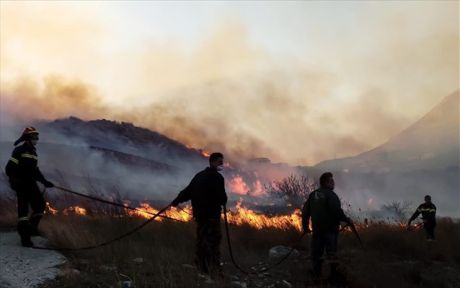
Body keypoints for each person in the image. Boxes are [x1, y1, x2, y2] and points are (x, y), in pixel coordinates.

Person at [171, 152, 227, 278]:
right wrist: (223, 200)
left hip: (200, 216)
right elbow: (222, 198)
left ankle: (201, 267)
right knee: (213, 242)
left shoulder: (199, 176)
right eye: (220, 162)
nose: (222, 164)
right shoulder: (217, 177)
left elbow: (187, 191)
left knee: (202, 240)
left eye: (222, 162)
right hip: (212, 217)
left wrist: (176, 201)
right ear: (212, 162)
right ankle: (212, 269)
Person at [5, 127, 54, 247]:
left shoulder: (33, 153)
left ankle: (31, 228)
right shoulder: (20, 150)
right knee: (23, 212)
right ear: (27, 137)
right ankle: (25, 239)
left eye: (37, 136)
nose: (36, 139)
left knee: (40, 206)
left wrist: (45, 182)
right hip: (21, 185)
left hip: (31, 184)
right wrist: (14, 180)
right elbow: (9, 168)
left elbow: (35, 171)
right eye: (34, 136)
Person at [301, 172, 352, 280]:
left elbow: (305, 212)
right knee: (331, 254)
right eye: (331, 181)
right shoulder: (331, 195)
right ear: (326, 182)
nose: (333, 183)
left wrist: (305, 227)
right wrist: (347, 220)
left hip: (317, 231)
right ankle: (334, 276)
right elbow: (337, 211)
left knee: (316, 254)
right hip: (330, 231)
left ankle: (316, 275)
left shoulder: (313, 195)